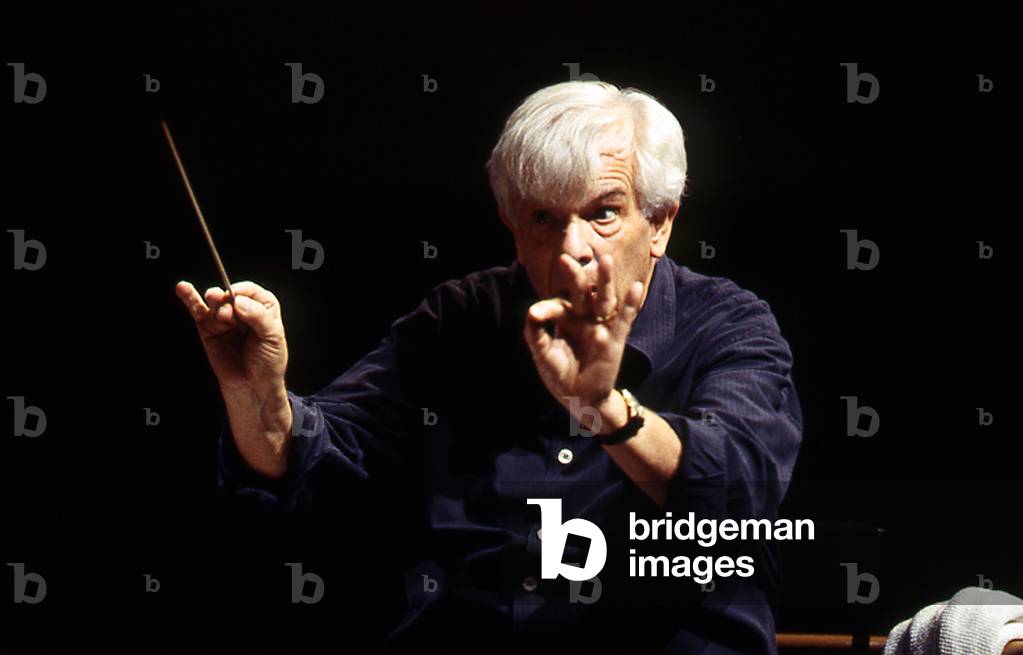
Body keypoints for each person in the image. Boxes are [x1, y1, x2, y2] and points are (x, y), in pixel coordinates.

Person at [176, 80, 804, 654]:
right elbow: (320, 463)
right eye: (544, 219)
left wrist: (606, 408)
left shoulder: (729, 325)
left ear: (660, 222)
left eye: (603, 213)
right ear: (511, 225)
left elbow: (738, 489)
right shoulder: (460, 318)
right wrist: (257, 393)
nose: (572, 250)